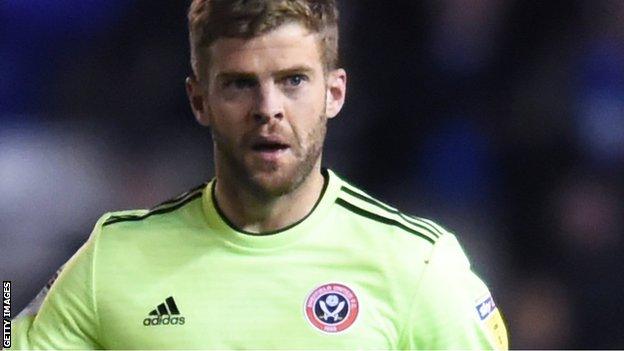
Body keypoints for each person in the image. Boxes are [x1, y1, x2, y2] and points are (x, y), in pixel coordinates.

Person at [10, 0, 508, 349]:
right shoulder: (113, 258)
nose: (267, 109)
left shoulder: (418, 265)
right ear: (199, 100)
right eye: (239, 84)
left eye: (293, 81)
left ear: (334, 93)